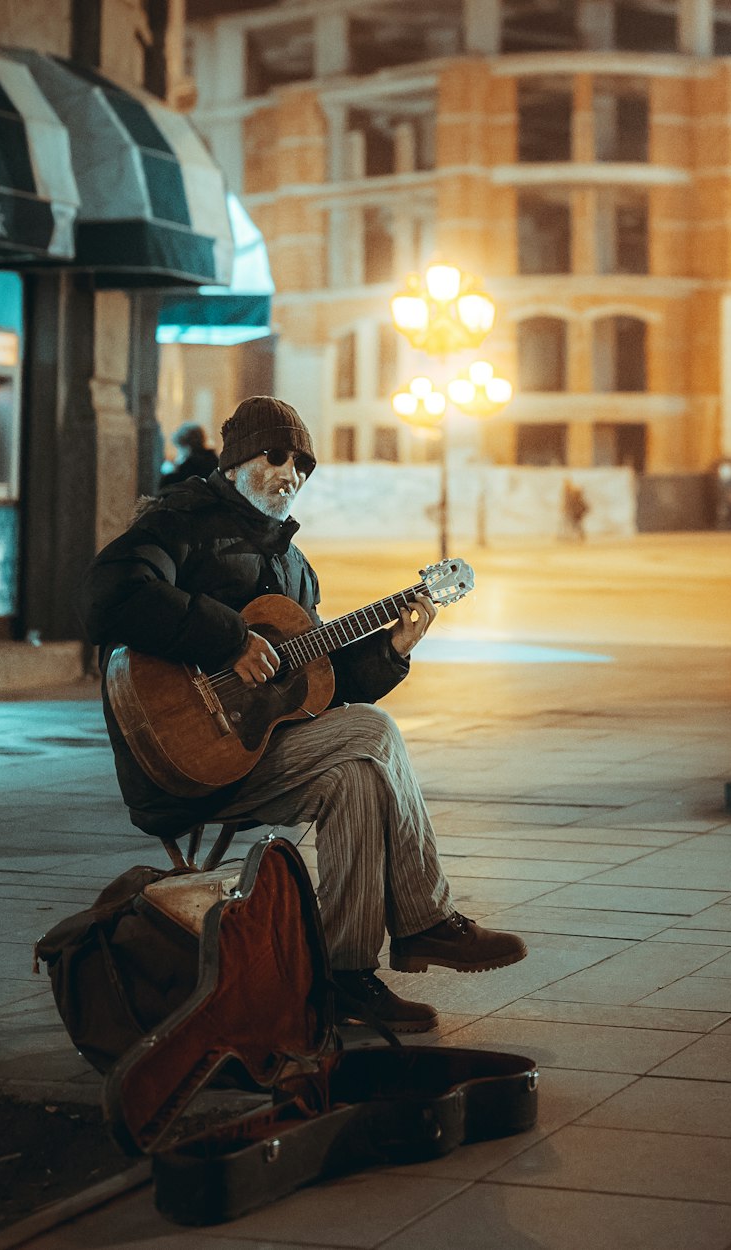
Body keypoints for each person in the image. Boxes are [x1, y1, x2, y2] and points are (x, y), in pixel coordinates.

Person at [82, 396, 527, 1034]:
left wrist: (390, 651)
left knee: (357, 777)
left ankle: (345, 977)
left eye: (304, 464)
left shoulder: (292, 566)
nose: (292, 472)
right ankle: (426, 920)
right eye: (277, 455)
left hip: (253, 757)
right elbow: (109, 595)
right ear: (236, 463)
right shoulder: (181, 524)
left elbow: (318, 687)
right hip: (181, 759)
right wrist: (229, 640)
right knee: (372, 734)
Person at [158, 421, 219, 491]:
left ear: (186, 446)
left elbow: (166, 488)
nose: (178, 453)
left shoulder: (190, 465)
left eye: (179, 448)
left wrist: (169, 472)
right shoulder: (213, 459)